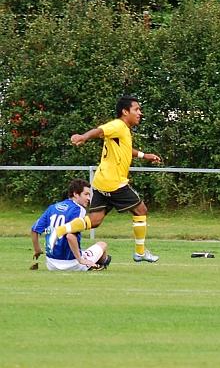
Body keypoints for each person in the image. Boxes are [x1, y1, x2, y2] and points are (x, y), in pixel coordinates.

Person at [53, 95, 162, 262]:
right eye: (136, 109)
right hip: (114, 183)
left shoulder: (123, 130)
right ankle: (140, 252)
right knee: (141, 210)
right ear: (125, 112)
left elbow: (125, 148)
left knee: (95, 220)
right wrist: (84, 136)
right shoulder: (118, 125)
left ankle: (60, 231)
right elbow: (100, 131)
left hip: (100, 181)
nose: (140, 113)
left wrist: (143, 155)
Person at [32, 178, 111, 271]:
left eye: (89, 195)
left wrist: (38, 250)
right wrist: (80, 259)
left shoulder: (52, 207)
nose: (89, 198)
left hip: (51, 264)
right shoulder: (79, 209)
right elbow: (70, 236)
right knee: (102, 245)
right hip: (72, 263)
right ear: (75, 194)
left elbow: (34, 230)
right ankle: (99, 264)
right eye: (86, 194)